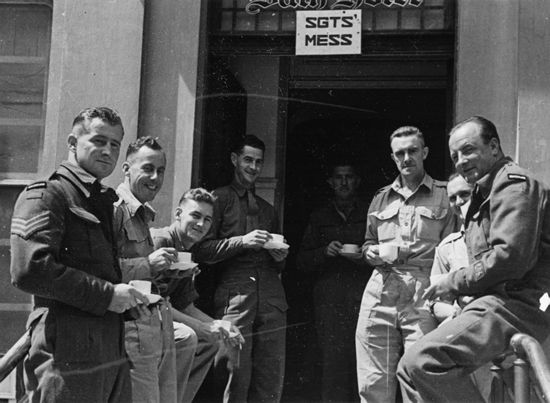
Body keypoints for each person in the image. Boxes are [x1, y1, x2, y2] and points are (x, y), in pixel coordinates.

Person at [397, 116, 550, 402]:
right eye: (455, 156)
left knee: (423, 360)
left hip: (519, 305)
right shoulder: (485, 190)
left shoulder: (513, 185)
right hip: (496, 303)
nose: (461, 161)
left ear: (494, 147)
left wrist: (453, 283)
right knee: (409, 370)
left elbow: (510, 258)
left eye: (468, 150)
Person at [10, 107, 148, 402]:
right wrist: (107, 295)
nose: (108, 151)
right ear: (73, 143)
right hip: (66, 350)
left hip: (108, 349)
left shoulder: (100, 200)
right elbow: (29, 269)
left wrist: (124, 299)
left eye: (115, 144)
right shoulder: (49, 194)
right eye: (99, 141)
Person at [356, 126, 457, 402]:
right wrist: (370, 254)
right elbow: (367, 242)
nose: (406, 158)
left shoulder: (444, 195)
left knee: (421, 374)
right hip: (381, 289)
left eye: (413, 151)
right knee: (373, 380)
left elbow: (452, 249)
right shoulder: (381, 198)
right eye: (400, 153)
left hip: (424, 290)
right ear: (393, 157)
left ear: (424, 152)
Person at [194, 134, 289, 403]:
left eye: (259, 162)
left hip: (271, 296)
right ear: (235, 160)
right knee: (233, 375)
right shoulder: (218, 199)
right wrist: (242, 241)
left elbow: (280, 263)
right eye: (248, 160)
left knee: (270, 376)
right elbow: (201, 250)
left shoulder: (268, 210)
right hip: (235, 295)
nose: (253, 167)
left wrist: (280, 255)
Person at [150, 188, 244, 403]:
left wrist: (220, 325)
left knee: (212, 341)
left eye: (207, 219)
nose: (201, 224)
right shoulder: (161, 241)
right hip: (140, 317)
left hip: (162, 319)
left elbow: (185, 306)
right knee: (188, 335)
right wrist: (201, 327)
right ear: (178, 214)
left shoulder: (186, 251)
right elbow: (154, 302)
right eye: (195, 215)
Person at [297, 163, 372, 402]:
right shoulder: (319, 216)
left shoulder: (369, 213)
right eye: (338, 178)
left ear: (357, 181)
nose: (344, 183)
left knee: (365, 357)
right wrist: (323, 252)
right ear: (330, 182)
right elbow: (301, 261)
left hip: (362, 295)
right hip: (329, 299)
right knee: (333, 362)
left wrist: (363, 257)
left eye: (349, 177)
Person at [113, 136, 180, 403]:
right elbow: (102, 273)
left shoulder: (142, 213)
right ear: (127, 170)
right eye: (148, 168)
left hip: (151, 327)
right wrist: (149, 264)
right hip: (130, 330)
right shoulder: (115, 210)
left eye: (160, 171)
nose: (155, 177)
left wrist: (166, 271)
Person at [429, 172, 474, 323]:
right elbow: (435, 303)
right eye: (453, 198)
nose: (459, 202)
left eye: (465, 194)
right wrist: (456, 311)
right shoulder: (447, 247)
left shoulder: (501, 239)